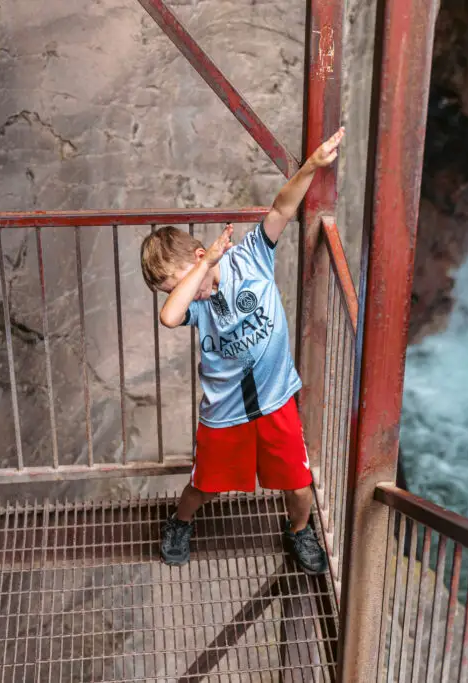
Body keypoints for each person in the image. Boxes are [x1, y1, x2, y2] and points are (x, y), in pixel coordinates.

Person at [139, 127, 345, 574]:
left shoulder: (250, 256)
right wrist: (200, 271)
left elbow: (281, 207)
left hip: (275, 398)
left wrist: (311, 166)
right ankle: (180, 522)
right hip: (225, 409)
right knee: (205, 485)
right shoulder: (193, 305)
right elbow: (169, 317)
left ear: (195, 255)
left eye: (173, 282)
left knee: (297, 481)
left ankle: (298, 529)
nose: (179, 292)